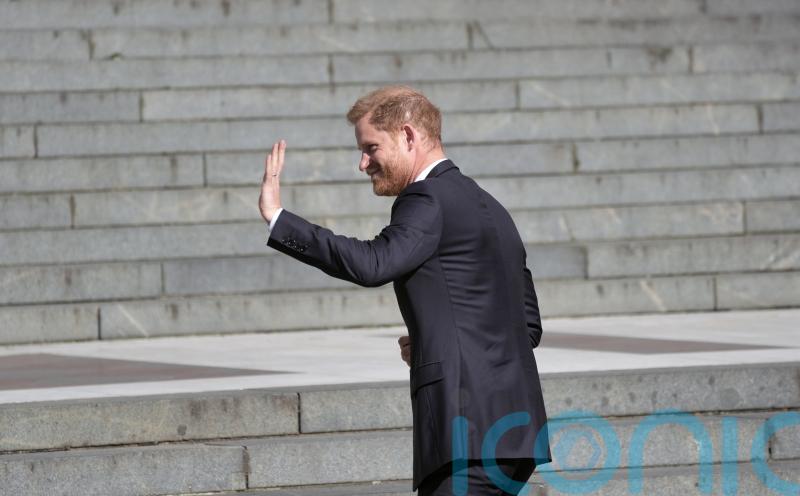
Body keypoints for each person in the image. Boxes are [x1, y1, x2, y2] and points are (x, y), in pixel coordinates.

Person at [258, 86, 551, 495]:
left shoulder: (426, 197)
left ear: (408, 136)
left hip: (465, 431)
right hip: (515, 434)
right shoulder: (490, 206)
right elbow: (527, 327)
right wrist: (439, 340)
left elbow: (374, 263)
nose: (363, 163)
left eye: (371, 147)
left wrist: (278, 218)